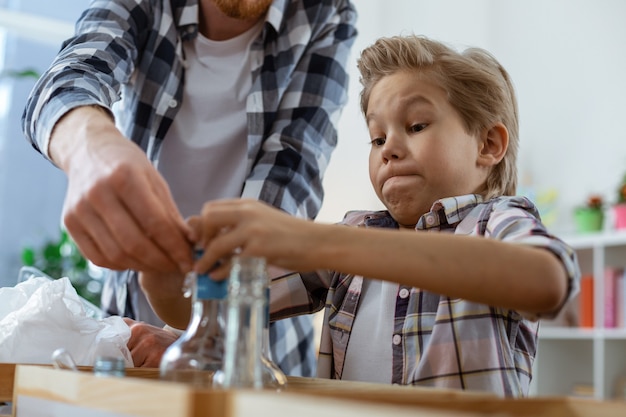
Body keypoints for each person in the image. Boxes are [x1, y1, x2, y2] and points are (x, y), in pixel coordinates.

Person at [139, 35, 580, 397]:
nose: (387, 148)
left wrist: (311, 239)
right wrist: (159, 272)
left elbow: (547, 282)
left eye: (416, 126)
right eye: (376, 137)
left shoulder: (496, 221)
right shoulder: (355, 237)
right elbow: (199, 308)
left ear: (488, 145)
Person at [21, 0, 358, 374]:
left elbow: (286, 183)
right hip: (130, 333)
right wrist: (91, 149)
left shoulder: (326, 12)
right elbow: (70, 77)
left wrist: (197, 337)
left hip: (256, 346)